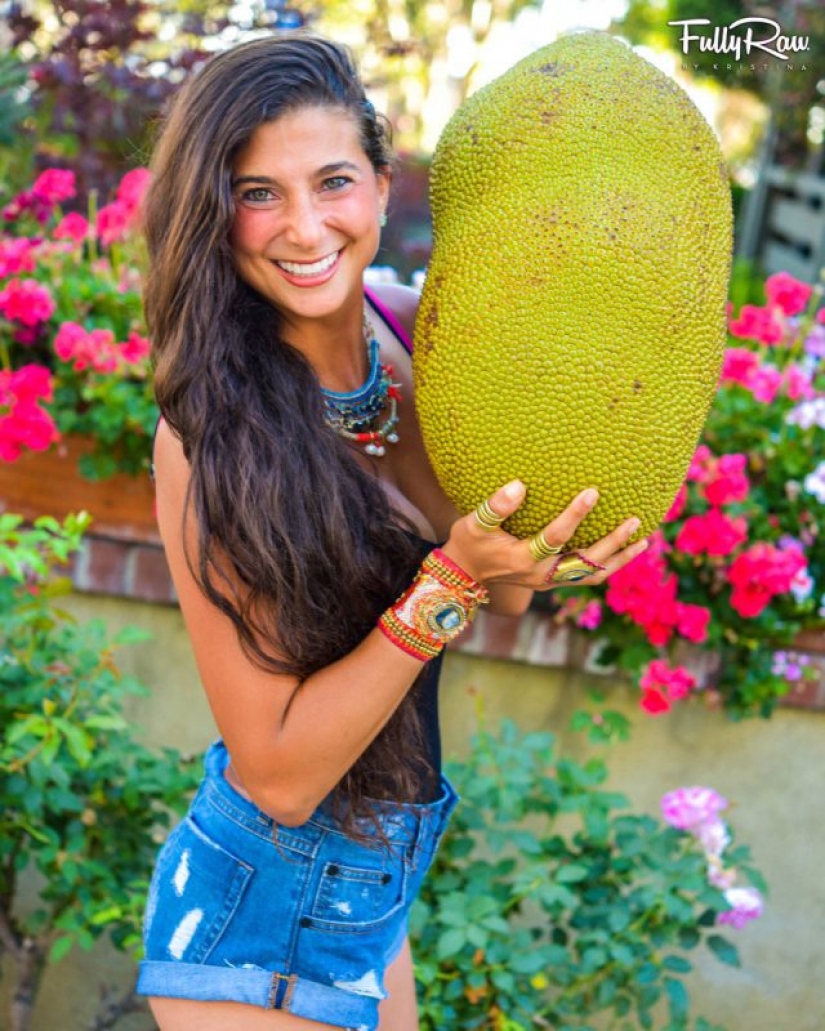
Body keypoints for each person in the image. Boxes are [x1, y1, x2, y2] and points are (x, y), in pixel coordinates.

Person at [135, 30, 649, 1031]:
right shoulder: (209, 430)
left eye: (332, 181)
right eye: (257, 193)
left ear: (380, 182)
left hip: (372, 891)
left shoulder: (425, 334)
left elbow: (507, 591)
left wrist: (549, 548)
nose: (304, 226)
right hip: (256, 920)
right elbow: (278, 776)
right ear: (214, 213)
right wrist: (450, 576)